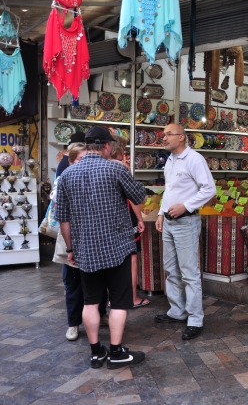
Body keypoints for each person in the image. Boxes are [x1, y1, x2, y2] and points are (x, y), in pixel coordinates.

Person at [56, 126, 147, 370]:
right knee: (118, 303)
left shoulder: (67, 175)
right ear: (107, 146)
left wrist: (71, 247)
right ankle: (116, 353)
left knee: (91, 302)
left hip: (85, 250)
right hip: (117, 247)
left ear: (86, 146)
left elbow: (63, 219)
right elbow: (140, 197)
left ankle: (97, 353)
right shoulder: (117, 168)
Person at [155, 123, 216, 340]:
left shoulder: (194, 159)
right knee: (171, 269)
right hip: (170, 222)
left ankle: (195, 318)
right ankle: (177, 310)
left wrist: (186, 206)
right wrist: (161, 213)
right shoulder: (170, 160)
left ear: (181, 137)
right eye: (163, 135)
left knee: (189, 273)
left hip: (186, 222)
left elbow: (210, 189)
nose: (164, 138)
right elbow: (169, 190)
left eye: (168, 134)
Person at [57, 142, 109, 342]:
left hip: (94, 242)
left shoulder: (95, 178)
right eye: (80, 159)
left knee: (99, 280)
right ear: (71, 162)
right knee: (73, 283)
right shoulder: (65, 180)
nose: (84, 163)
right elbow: (61, 216)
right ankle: (73, 324)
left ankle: (101, 313)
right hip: (72, 240)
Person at [109, 136, 149, 308]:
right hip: (126, 218)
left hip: (109, 221)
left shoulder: (101, 166)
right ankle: (132, 297)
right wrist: (140, 219)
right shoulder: (121, 167)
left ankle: (112, 297)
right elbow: (134, 198)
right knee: (131, 259)